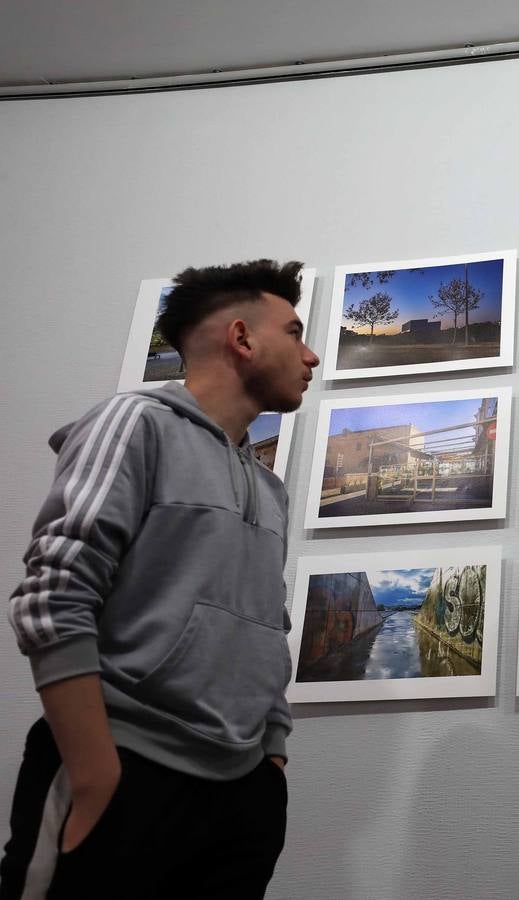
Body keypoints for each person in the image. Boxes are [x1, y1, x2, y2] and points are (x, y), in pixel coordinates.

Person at [2, 259, 319, 899]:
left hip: (241, 793)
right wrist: (93, 773)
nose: (311, 356)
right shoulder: (134, 423)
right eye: (294, 332)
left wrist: (271, 760)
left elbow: (268, 622)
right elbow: (52, 593)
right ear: (242, 337)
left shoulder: (270, 488)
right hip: (125, 770)